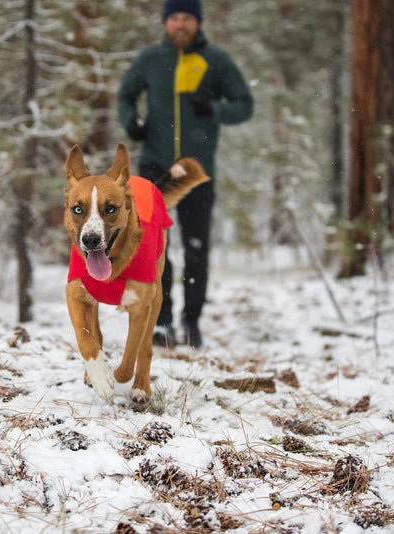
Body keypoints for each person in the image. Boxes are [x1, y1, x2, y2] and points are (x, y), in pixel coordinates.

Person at [117, 0, 253, 349]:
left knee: (196, 247)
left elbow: (244, 105)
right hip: (154, 166)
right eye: (175, 17)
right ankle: (161, 321)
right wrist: (131, 121)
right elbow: (126, 95)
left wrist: (214, 109)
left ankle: (191, 322)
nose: (181, 24)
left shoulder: (216, 60)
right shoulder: (150, 59)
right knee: (154, 245)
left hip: (196, 169)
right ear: (166, 22)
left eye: (188, 18)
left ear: (198, 22)